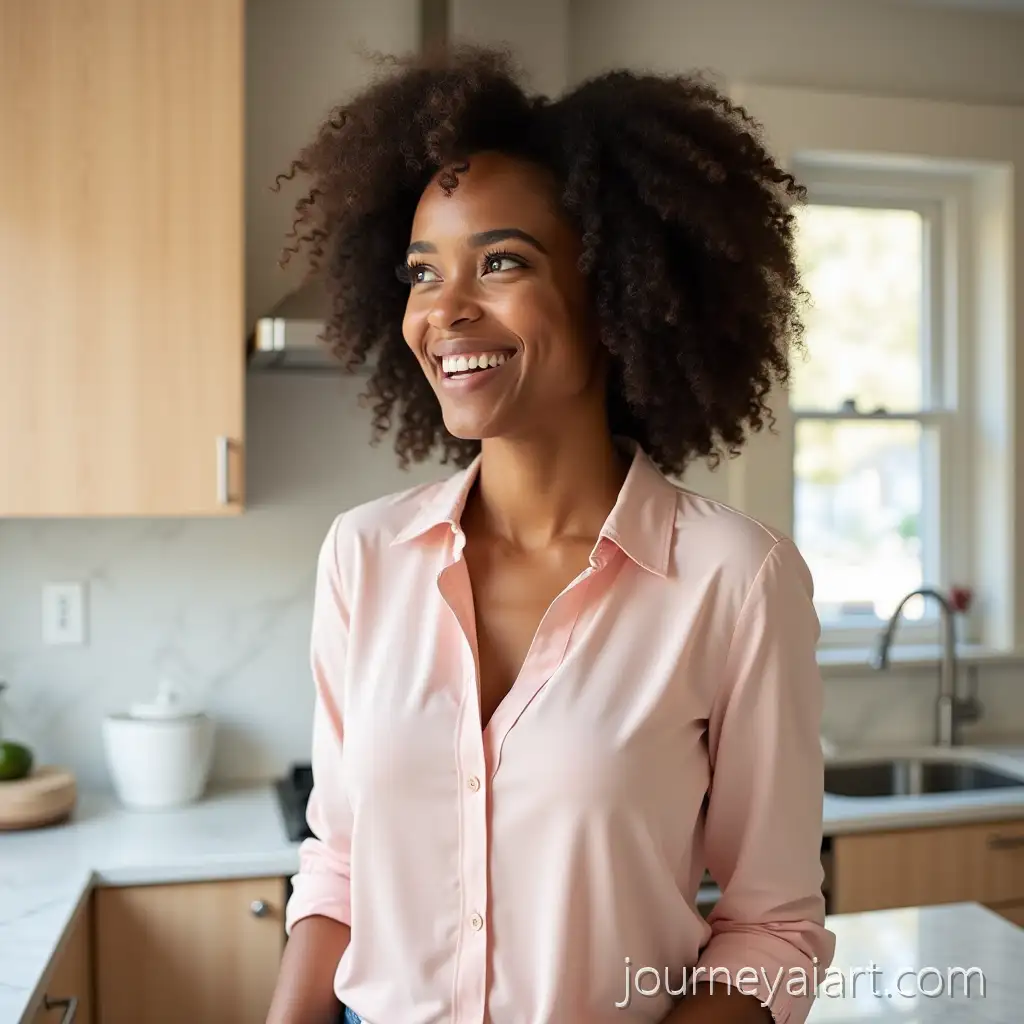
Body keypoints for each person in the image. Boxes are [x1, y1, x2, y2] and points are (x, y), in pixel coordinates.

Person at [266, 43, 836, 1024]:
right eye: (420, 271)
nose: (444, 310)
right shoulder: (362, 558)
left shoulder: (732, 581)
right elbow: (339, 865)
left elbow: (771, 931)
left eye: (501, 262)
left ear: (613, 291)